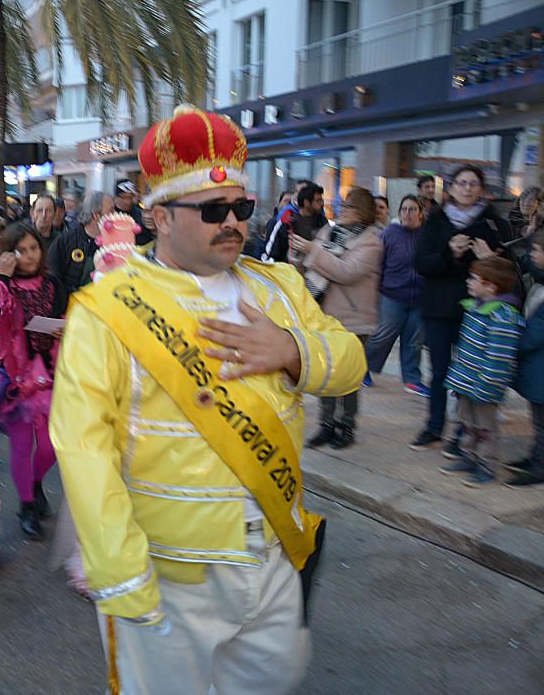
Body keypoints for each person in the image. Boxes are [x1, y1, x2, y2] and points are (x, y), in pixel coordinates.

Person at [50, 106, 365, 694]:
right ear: (159, 217)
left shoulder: (282, 287)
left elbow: (350, 363)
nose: (233, 223)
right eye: (213, 210)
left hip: (273, 549)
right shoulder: (108, 307)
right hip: (171, 570)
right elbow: (84, 447)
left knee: (276, 679)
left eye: (242, 209)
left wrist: (292, 350)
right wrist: (120, 572)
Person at [411, 164, 513, 452]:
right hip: (439, 306)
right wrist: (450, 253)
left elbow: (509, 272)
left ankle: (464, 432)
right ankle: (433, 426)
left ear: (481, 189)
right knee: (440, 370)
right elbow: (422, 264)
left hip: (480, 312)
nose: (467, 188)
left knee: (471, 372)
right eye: (462, 183)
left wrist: (490, 260)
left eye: (473, 183)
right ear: (451, 188)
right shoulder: (435, 220)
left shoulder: (494, 223)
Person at [0, 224, 67, 539]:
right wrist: (1, 276)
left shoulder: (54, 283)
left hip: (48, 374)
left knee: (50, 445)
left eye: (33, 248)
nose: (29, 255)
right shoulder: (3, 284)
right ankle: (27, 507)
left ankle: (35, 482)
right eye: (21, 250)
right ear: (8, 253)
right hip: (13, 375)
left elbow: (63, 317)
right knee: (21, 445)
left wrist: (61, 328)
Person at [291, 187, 382, 450]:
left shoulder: (371, 242)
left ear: (362, 212)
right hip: (323, 315)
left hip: (353, 318)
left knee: (348, 376)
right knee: (325, 373)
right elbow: (311, 265)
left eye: (349, 208)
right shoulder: (328, 231)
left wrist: (312, 252)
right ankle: (326, 424)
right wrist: (299, 254)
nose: (343, 211)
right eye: (342, 207)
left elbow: (346, 272)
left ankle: (347, 426)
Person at [438, 257, 523, 487]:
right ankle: (469, 457)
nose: (468, 281)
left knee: (486, 427)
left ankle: (487, 466)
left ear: (491, 286)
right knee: (466, 422)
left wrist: (487, 384)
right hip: (466, 380)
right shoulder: (475, 308)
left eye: (473, 278)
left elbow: (499, 356)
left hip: (484, 384)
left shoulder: (502, 316)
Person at [505, 224, 544, 489]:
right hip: (542, 365)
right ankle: (535, 459)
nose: (533, 255)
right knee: (538, 418)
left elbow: (536, 336)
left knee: (542, 420)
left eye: (537, 251)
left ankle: (539, 472)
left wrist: (508, 343)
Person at [363, 195, 429, 396]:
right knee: (382, 335)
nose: (407, 214)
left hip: (419, 297)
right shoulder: (389, 234)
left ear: (420, 213)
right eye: (404, 209)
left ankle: (412, 379)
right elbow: (377, 265)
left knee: (414, 341)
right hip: (392, 295)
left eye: (412, 209)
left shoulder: (427, 236)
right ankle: (362, 368)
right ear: (399, 213)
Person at [48, 190, 115, 294]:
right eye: (111, 211)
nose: (115, 216)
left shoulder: (115, 244)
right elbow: (54, 280)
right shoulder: (65, 241)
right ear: (96, 215)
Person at [261, 182, 324, 263]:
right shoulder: (285, 223)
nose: (322, 203)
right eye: (318, 200)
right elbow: (270, 256)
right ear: (307, 202)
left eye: (321, 200)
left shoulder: (324, 224)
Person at [244, 190, 291, 258]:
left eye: (291, 202)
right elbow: (270, 251)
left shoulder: (294, 223)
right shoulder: (274, 222)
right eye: (286, 200)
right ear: (279, 203)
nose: (288, 204)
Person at [114, 178, 150, 244]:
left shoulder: (140, 215)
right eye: (124, 197)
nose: (128, 201)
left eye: (130, 197)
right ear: (116, 197)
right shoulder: (110, 213)